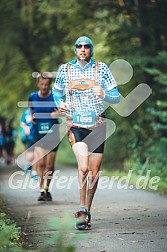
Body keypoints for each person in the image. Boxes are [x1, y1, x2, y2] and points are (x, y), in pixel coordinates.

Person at [52, 35, 120, 230]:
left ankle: (87, 211)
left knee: (94, 172)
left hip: (98, 125)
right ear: (75, 49)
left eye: (86, 46)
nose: (83, 49)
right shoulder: (65, 69)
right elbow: (56, 93)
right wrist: (60, 103)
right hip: (76, 125)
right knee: (83, 168)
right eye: (79, 46)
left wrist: (104, 94)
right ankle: (81, 209)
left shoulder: (102, 69)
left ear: (91, 49)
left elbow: (116, 97)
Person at [29, 74, 60, 201]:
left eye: (46, 85)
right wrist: (32, 118)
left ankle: (47, 188)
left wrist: (56, 113)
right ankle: (42, 190)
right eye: (41, 84)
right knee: (41, 163)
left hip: (52, 134)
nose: (44, 87)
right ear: (38, 84)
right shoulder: (33, 96)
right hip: (38, 134)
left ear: (50, 85)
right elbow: (31, 109)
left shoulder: (55, 96)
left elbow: (63, 110)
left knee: (50, 165)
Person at [20, 108, 38, 180]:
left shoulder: (39, 110)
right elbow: (22, 122)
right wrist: (25, 128)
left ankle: (34, 172)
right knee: (30, 157)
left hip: (38, 136)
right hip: (29, 137)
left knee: (37, 153)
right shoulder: (26, 112)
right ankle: (29, 165)